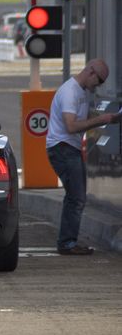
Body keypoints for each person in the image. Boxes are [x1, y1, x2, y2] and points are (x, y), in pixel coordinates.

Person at [46, 59, 121, 255]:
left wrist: (109, 118)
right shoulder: (70, 92)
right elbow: (71, 126)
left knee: (75, 197)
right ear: (90, 72)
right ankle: (67, 243)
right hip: (63, 148)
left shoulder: (80, 92)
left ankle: (67, 241)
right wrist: (101, 120)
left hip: (68, 148)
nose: (99, 85)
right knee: (76, 197)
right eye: (100, 81)